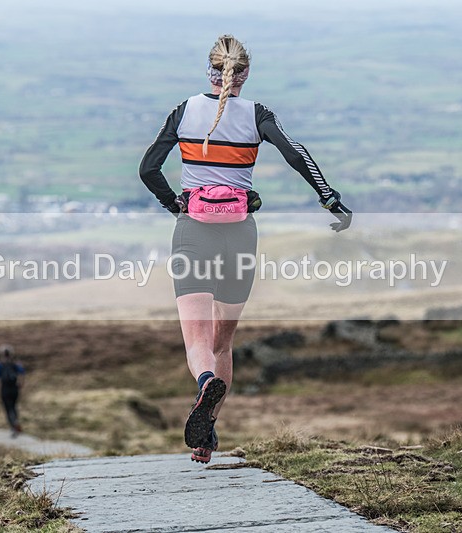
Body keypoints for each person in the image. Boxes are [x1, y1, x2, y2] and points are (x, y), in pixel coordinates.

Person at [139, 35, 352, 463]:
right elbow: (297, 154)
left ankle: (203, 385)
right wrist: (328, 197)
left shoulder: (183, 112)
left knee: (197, 342)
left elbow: (148, 169)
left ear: (210, 72)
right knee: (223, 344)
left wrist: (176, 203)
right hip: (240, 233)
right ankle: (208, 429)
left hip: (193, 231)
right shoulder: (258, 115)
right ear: (245, 75)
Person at [0, 344, 25, 437]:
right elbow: (22, 374)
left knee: (7, 408)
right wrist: (21, 384)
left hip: (5, 388)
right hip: (14, 388)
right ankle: (16, 421)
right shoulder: (16, 364)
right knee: (14, 406)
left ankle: (13, 426)